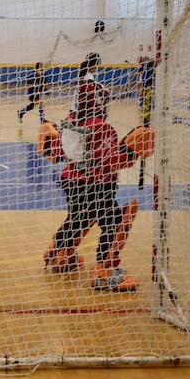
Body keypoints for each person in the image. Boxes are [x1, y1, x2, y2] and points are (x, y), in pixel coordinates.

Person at [42, 100, 155, 292]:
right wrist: (130, 152)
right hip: (97, 183)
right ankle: (104, 272)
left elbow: (57, 152)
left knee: (79, 219)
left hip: (70, 179)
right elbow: (109, 160)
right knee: (115, 222)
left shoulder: (71, 121)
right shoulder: (103, 127)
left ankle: (59, 253)